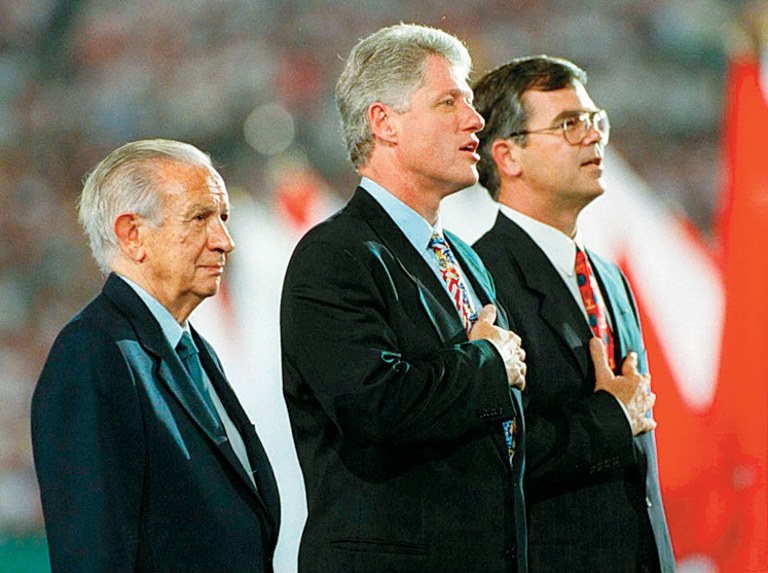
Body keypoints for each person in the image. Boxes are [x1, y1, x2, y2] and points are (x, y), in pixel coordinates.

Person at [281, 24, 528, 573]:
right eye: (448, 101)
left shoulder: (466, 259)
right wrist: (488, 362)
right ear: (383, 122)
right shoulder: (334, 257)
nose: (475, 119)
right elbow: (373, 404)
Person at [31, 139, 280, 573]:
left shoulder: (191, 349)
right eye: (200, 217)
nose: (225, 241)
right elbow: (93, 555)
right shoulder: (93, 355)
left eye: (223, 218)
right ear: (132, 235)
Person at [472, 56, 675, 573]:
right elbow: (492, 457)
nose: (592, 137)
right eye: (568, 124)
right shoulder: (480, 279)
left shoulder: (610, 277)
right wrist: (609, 418)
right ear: (507, 155)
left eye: (594, 120)